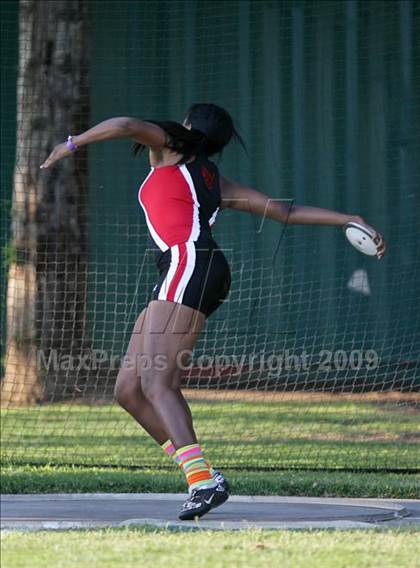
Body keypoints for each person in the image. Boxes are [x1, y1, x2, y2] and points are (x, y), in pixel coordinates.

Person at [40, 103, 386, 520]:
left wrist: (72, 143)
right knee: (129, 391)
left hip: (190, 263)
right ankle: (204, 475)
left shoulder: (172, 152)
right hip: (188, 267)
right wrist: (348, 218)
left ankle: (201, 482)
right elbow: (285, 212)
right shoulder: (211, 179)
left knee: (156, 381)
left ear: (188, 127)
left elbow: (127, 124)